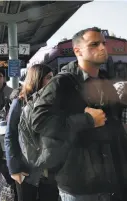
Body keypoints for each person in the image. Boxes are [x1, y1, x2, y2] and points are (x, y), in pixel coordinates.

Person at [31, 27, 127, 201]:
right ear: (77, 51)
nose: (102, 48)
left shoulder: (106, 81)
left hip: (112, 182)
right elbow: (39, 121)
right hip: (80, 186)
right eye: (94, 44)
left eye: (103, 44)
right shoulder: (61, 83)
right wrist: (86, 120)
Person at [5, 64, 58, 201]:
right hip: (26, 169)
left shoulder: (55, 102)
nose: (52, 81)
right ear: (37, 79)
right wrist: (14, 169)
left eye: (53, 77)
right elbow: (10, 135)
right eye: (48, 78)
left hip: (50, 168)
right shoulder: (20, 103)